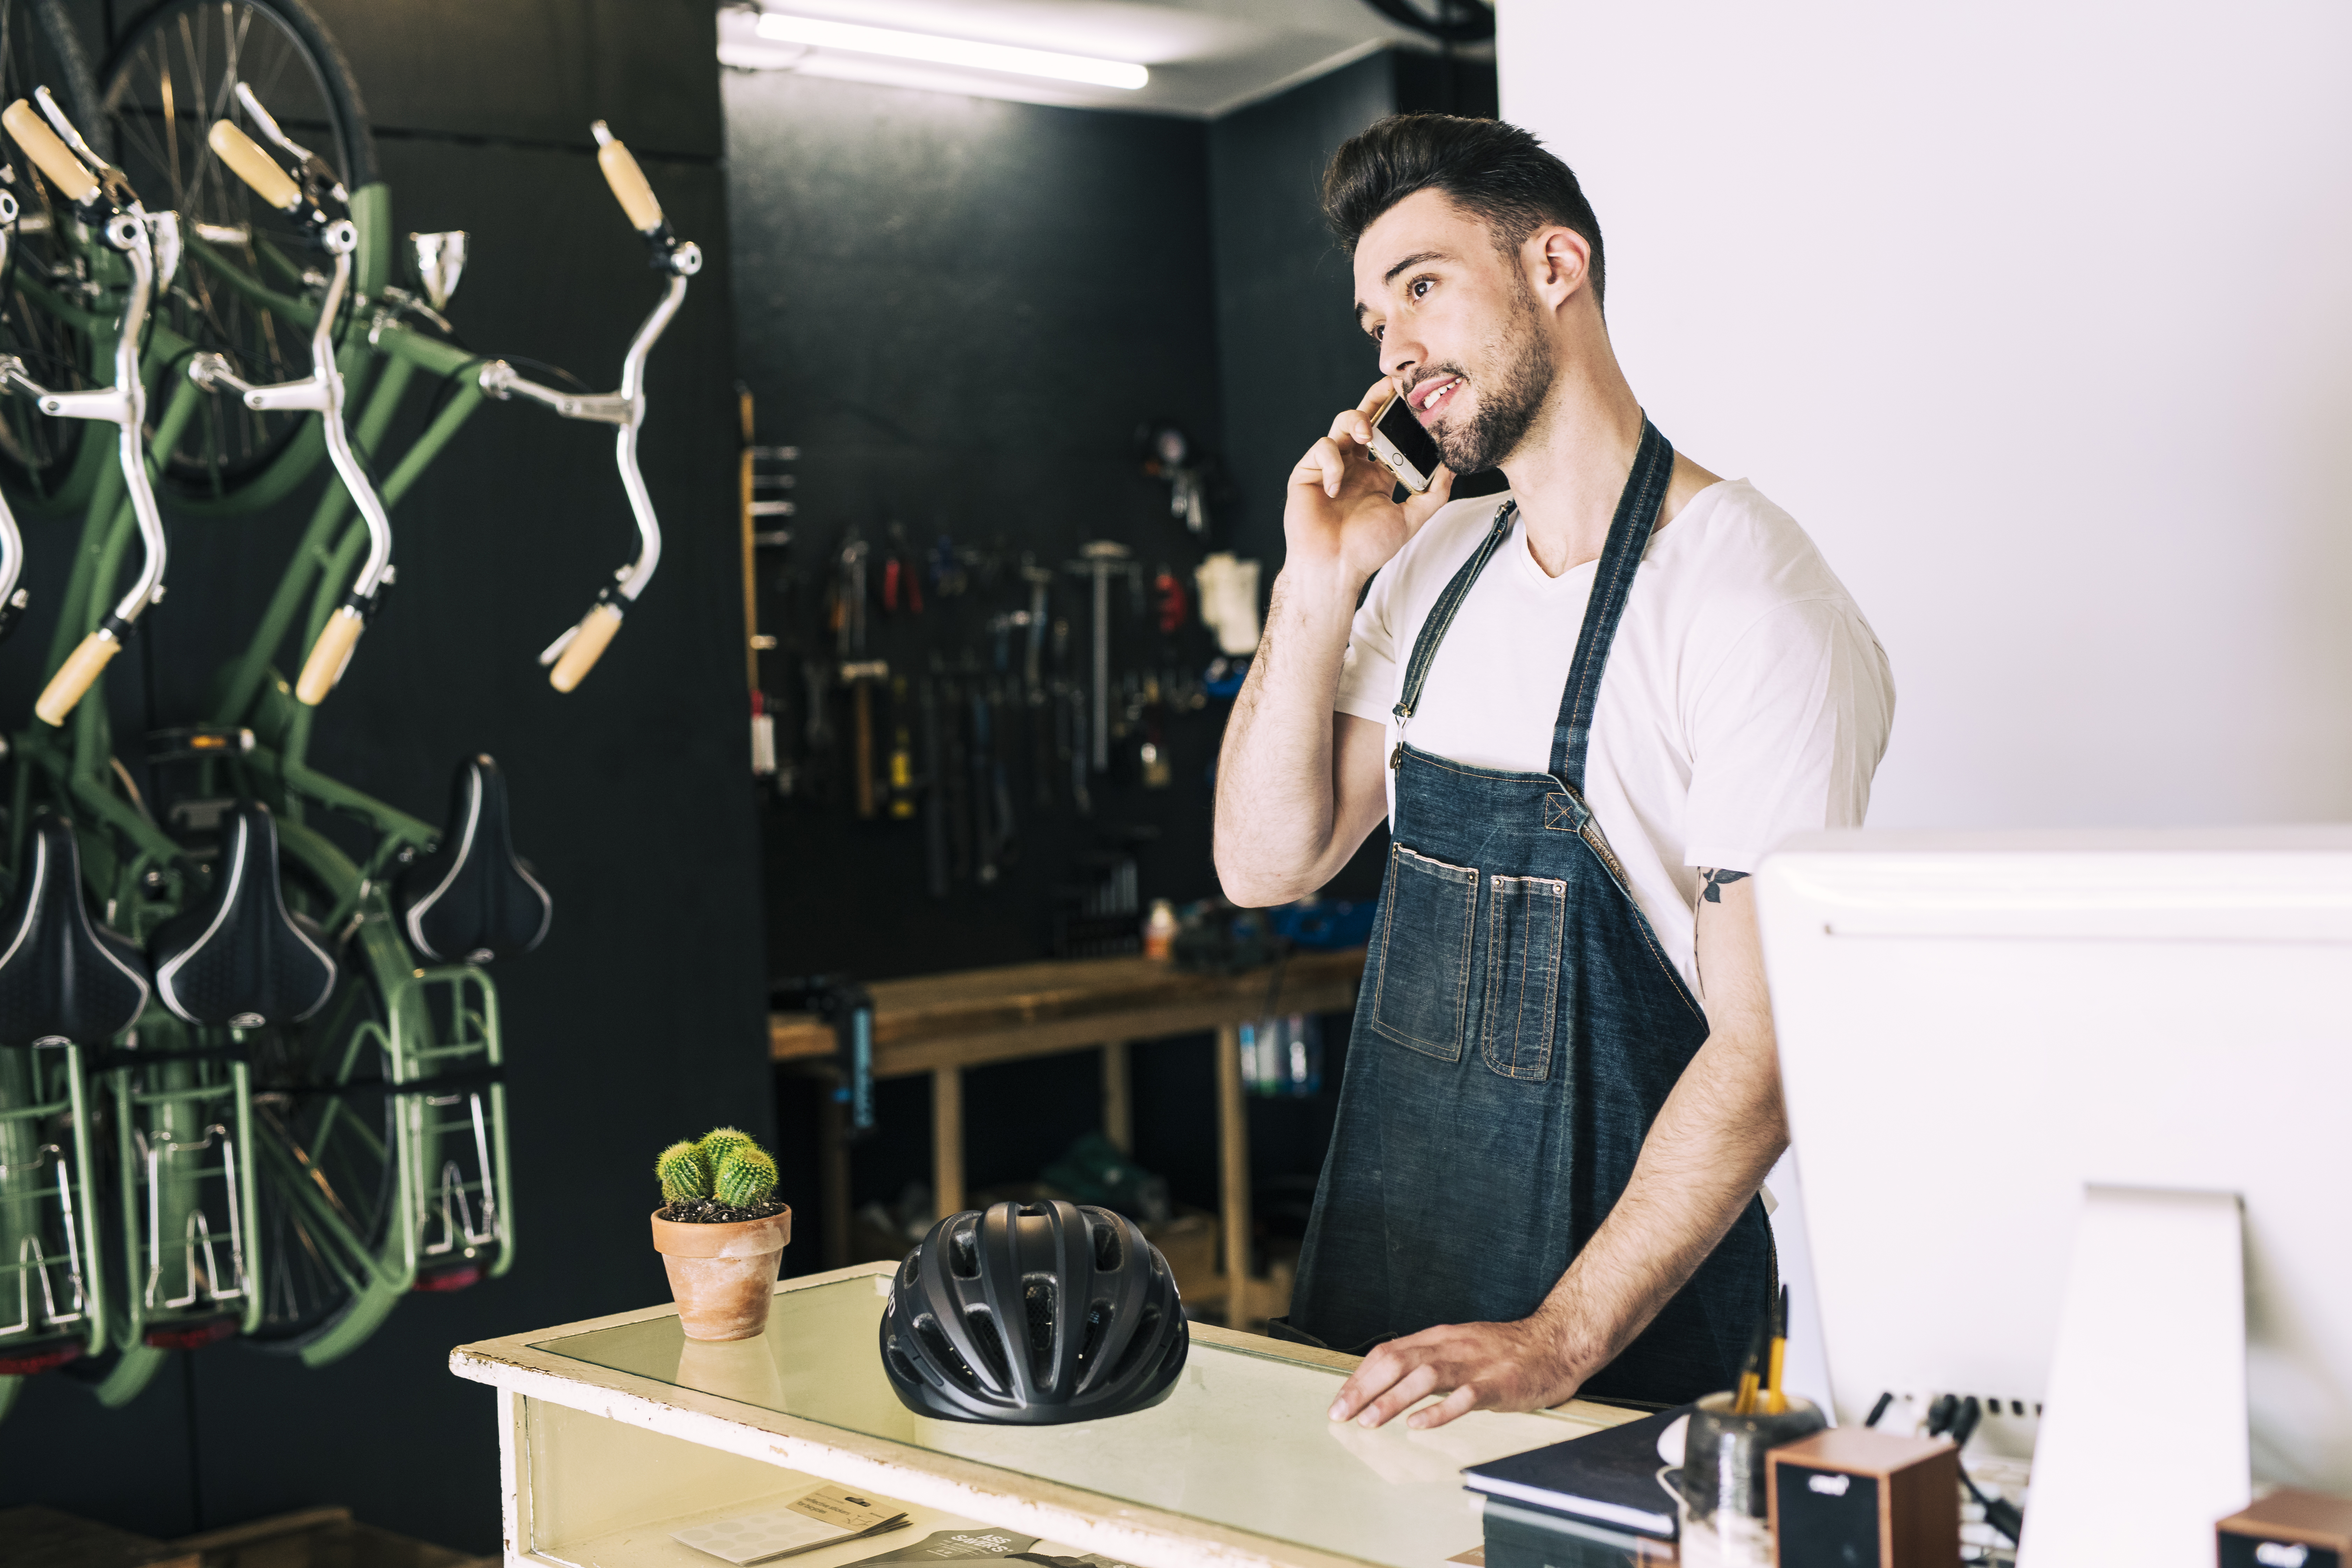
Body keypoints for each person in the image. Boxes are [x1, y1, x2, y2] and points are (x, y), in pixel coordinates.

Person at [1211, 114, 1894, 1430]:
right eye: (1373, 322)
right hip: (1383, 1312)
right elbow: (1262, 862)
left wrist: (1552, 1340)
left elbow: (1765, 1050)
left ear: (1555, 267)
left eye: (1422, 286)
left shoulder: (1746, 597)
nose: (1395, 348)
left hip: (1618, 1359)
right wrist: (1318, 580)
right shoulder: (1432, 569)